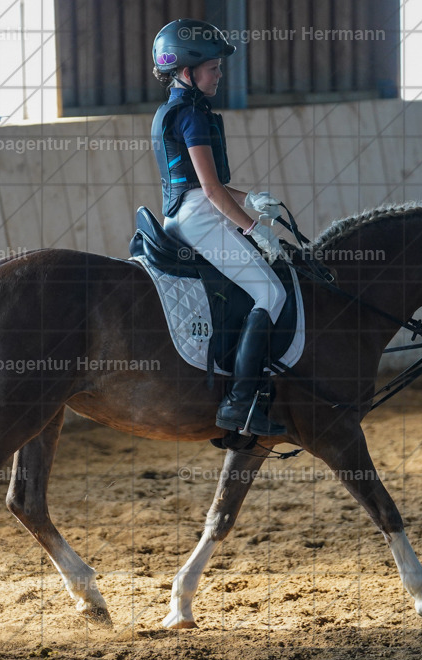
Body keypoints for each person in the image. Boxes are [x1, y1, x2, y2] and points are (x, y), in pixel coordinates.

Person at [151, 18, 288, 437]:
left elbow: (206, 185)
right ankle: (241, 402)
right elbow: (210, 190)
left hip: (187, 210)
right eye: (213, 68)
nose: (220, 75)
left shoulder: (178, 109)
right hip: (200, 215)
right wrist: (252, 228)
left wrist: (251, 199)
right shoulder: (191, 114)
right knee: (272, 290)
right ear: (187, 71)